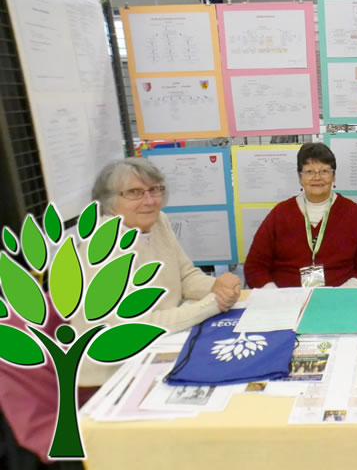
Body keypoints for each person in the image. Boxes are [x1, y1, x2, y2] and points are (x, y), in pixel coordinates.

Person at [71, 158, 242, 387]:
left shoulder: (158, 221)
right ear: (109, 201)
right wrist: (214, 303)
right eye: (134, 192)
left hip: (161, 346)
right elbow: (139, 327)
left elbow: (185, 276)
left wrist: (219, 287)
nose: (149, 201)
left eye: (155, 190)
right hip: (111, 376)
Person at [244, 143, 357, 288]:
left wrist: (343, 293)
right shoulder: (280, 214)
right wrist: (276, 295)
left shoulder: (354, 214)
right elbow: (255, 266)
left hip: (341, 296)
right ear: (300, 177)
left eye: (324, 171)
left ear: (334, 176)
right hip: (286, 297)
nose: (317, 178)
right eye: (309, 171)